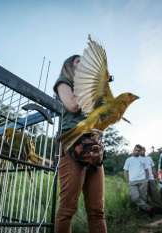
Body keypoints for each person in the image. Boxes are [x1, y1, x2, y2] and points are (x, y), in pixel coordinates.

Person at [53, 55, 107, 233]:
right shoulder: (63, 82)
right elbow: (73, 106)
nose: (83, 64)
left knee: (97, 211)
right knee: (68, 209)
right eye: (78, 62)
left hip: (93, 145)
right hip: (72, 145)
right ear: (69, 66)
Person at [124, 144, 153, 216]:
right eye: (136, 150)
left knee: (143, 198)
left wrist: (146, 179)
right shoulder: (128, 160)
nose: (137, 152)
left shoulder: (143, 159)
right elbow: (125, 171)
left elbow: (146, 170)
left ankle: (144, 214)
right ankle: (149, 208)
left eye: (138, 151)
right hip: (132, 182)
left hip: (142, 181)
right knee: (135, 197)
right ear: (133, 150)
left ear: (140, 152)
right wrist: (127, 181)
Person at [140, 147, 162, 213]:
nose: (142, 151)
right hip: (142, 180)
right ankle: (148, 212)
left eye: (143, 150)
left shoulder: (149, 158)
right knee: (145, 196)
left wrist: (156, 177)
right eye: (141, 150)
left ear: (145, 151)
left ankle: (160, 209)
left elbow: (153, 167)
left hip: (151, 179)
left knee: (155, 194)